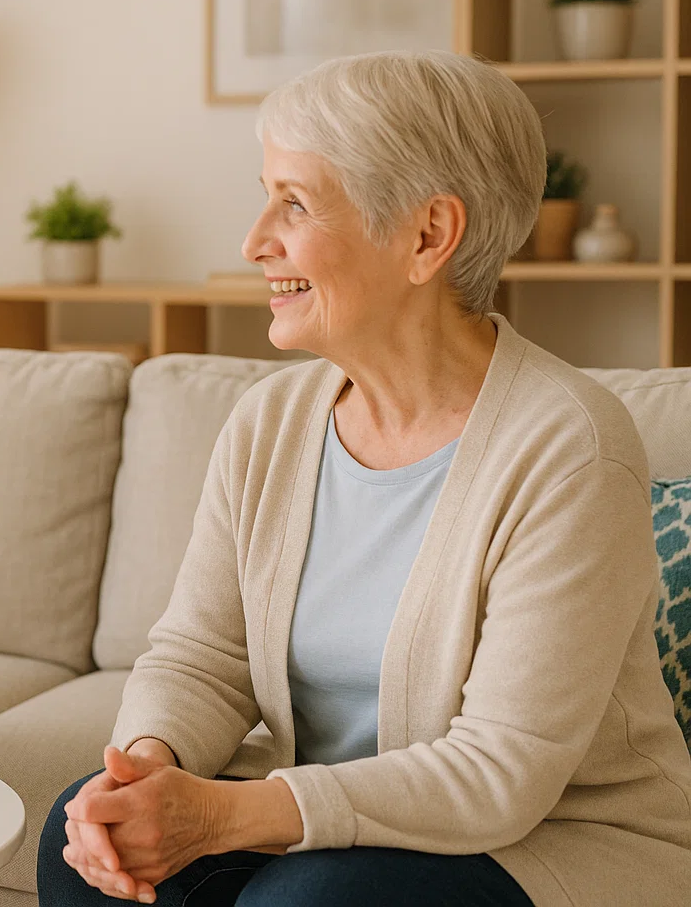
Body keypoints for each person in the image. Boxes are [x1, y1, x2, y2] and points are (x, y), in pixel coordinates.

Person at [39, 50, 691, 906]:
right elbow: (203, 657)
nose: (253, 240)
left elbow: (500, 772)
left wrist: (226, 817)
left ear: (427, 235)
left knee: (310, 904)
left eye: (295, 203)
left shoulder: (568, 447)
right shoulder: (267, 424)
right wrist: (147, 771)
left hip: (549, 841)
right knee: (81, 847)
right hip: (325, 827)